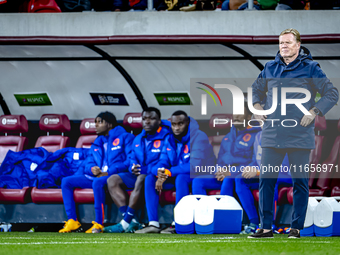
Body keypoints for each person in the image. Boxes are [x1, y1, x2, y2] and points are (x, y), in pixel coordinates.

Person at [249, 28, 339, 239]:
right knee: (266, 180)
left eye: (288, 43)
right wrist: (256, 105)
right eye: (281, 43)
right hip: (272, 134)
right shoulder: (270, 67)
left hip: (299, 136)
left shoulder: (311, 68)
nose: (283, 46)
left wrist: (314, 111)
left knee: (299, 181)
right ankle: (266, 227)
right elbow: (256, 88)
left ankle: (296, 228)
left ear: (298, 45)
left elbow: (332, 93)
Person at [135, 111, 215, 234]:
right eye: (173, 124)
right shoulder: (169, 138)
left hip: (200, 174)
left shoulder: (199, 137)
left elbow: (195, 166)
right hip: (178, 173)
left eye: (180, 124)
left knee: (181, 178)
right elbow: (163, 160)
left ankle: (178, 222)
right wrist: (160, 172)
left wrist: (169, 172)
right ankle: (153, 224)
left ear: (187, 123)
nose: (176, 128)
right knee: (150, 178)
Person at [59, 112, 134, 233]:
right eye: (95, 122)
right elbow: (89, 161)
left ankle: (98, 223)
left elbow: (129, 161)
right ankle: (72, 221)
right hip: (96, 176)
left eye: (100, 122)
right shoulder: (97, 142)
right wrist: (92, 168)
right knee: (66, 181)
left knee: (97, 183)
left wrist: (109, 172)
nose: (96, 125)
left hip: (113, 176)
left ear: (109, 124)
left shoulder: (126, 137)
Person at [104, 107, 170, 233]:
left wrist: (146, 169)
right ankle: (131, 220)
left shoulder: (166, 137)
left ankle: (125, 223)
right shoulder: (138, 138)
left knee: (142, 178)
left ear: (159, 121)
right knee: (112, 180)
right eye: (144, 119)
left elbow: (164, 161)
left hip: (154, 174)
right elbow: (132, 158)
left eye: (152, 119)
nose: (147, 122)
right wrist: (132, 167)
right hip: (138, 173)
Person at [192, 102, 261, 199]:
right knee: (198, 181)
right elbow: (220, 162)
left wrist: (230, 172)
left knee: (228, 179)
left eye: (240, 112)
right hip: (225, 176)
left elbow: (254, 164)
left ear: (249, 117)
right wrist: (219, 171)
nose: (236, 115)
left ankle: (223, 212)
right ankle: (203, 212)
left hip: (241, 177)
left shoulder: (257, 136)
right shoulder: (226, 138)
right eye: (234, 112)